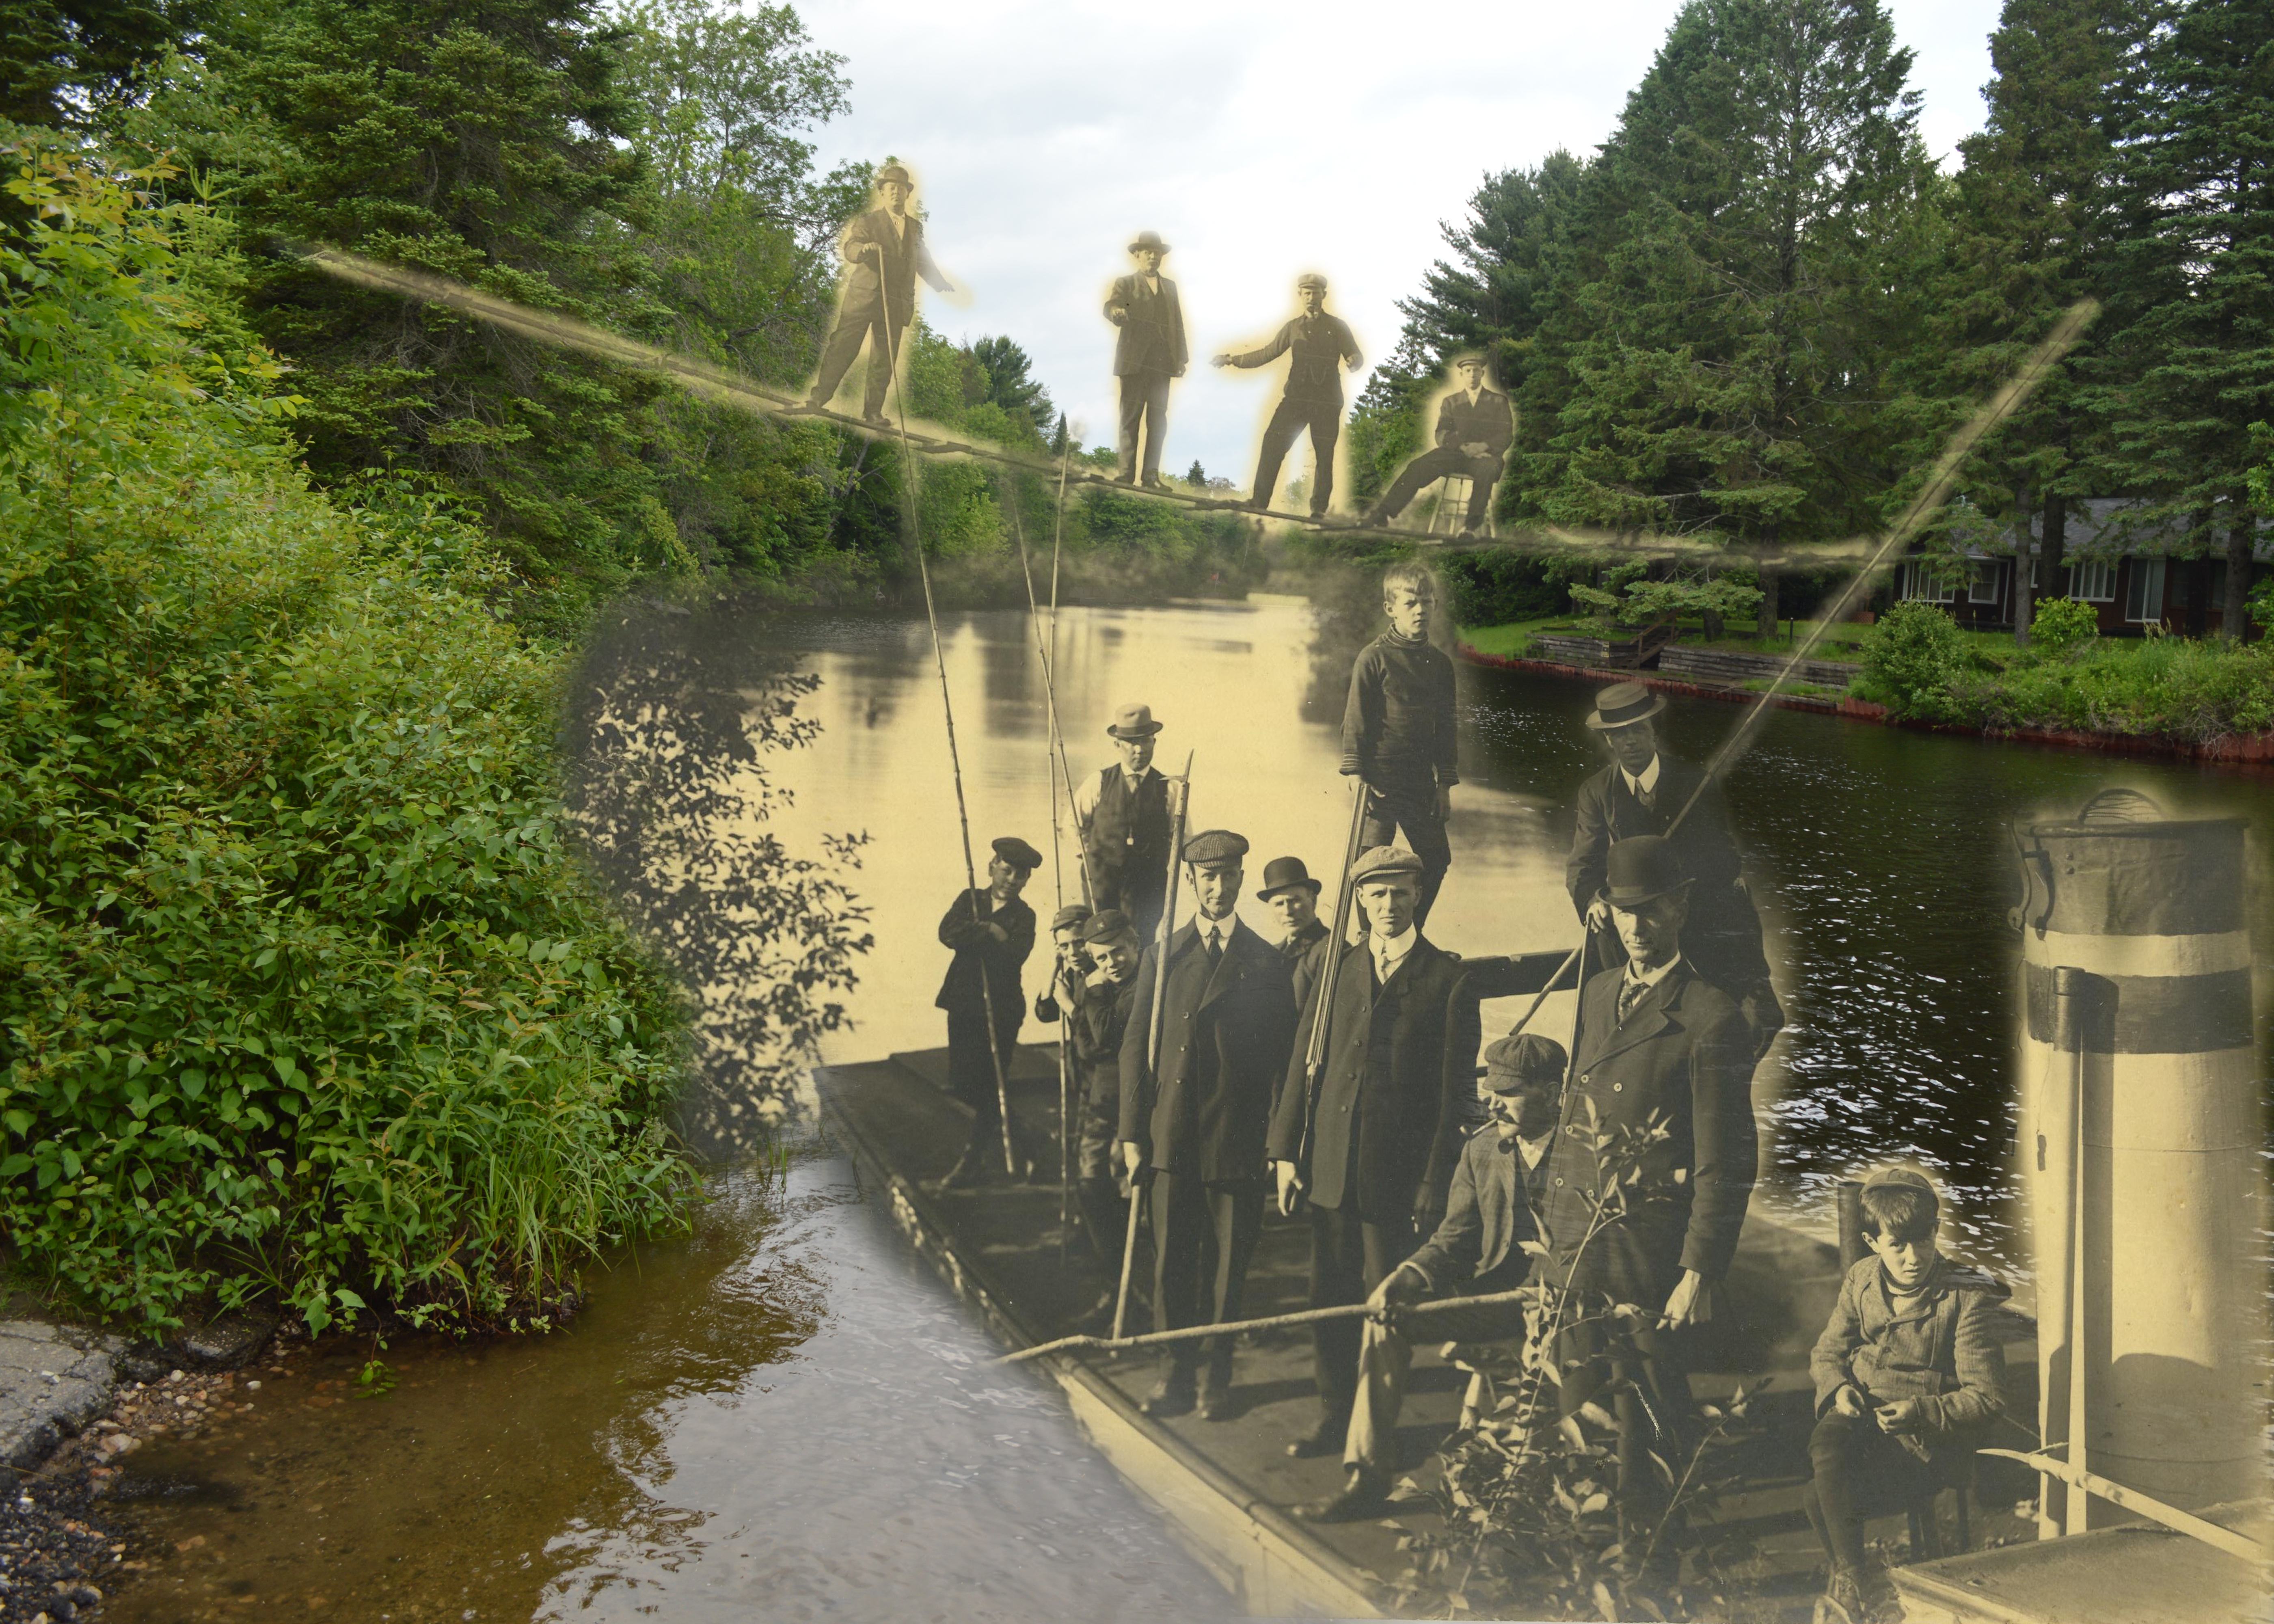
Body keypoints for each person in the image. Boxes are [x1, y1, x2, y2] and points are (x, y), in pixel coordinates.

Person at [1537, 835, 1758, 1530]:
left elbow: (1728, 1159)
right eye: (1624, 911)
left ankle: (1653, 1552)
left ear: (1682, 907)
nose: (1637, 927)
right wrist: (1547, 1227)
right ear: (1606, 910)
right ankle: (1581, 1533)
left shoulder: (1710, 1017)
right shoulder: (1598, 992)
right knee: (1574, 1391)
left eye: (1653, 910)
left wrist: (1699, 1270)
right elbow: (1576, 1112)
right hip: (1577, 1236)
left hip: (1646, 1246)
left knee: (1648, 1406)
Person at [1303, 1032, 1567, 1522]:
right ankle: (1368, 1472)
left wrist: (1548, 1296)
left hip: (1561, 1310)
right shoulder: (1483, 1149)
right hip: (1489, 1302)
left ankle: (1522, 1494)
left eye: (1508, 1093)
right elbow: (1456, 1237)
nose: (1492, 1104)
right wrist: (1408, 1276)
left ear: (1552, 1093)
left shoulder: (1586, 1154)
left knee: (1544, 1370)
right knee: (1385, 1318)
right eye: (1491, 1089)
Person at [1268, 846, 1477, 1462]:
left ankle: (1375, 1437)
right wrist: (1285, 1155)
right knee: (1327, 1301)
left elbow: (1453, 1094)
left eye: (1400, 893)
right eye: (1377, 894)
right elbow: (1303, 1062)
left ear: (1418, 897)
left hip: (1397, 1178)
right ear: (1359, 900)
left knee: (1387, 1306)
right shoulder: (1336, 967)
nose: (1389, 905)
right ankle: (1335, 1416)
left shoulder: (1448, 979)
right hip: (1329, 1170)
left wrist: (1436, 1180)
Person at [1118, 831, 1299, 1420]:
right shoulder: (1161, 956)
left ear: (1243, 880)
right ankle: (1174, 1375)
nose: (1219, 888)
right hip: (1171, 1136)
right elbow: (1134, 1050)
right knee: (1172, 1260)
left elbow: (1282, 1059)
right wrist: (1130, 1134)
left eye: (1229, 877)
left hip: (1236, 1136)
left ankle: (1215, 1378)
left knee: (1228, 1266)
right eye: (1209, 878)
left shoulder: (1266, 962)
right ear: (1191, 883)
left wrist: (1279, 1144)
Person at [1805, 1168, 2008, 1624]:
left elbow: (1988, 1397)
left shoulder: (1964, 1298)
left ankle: (1854, 1585)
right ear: (1872, 1241)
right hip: (1861, 1423)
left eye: (1923, 1239)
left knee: (1816, 1499)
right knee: (1826, 1445)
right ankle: (1859, 1580)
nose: (1913, 1257)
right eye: (1897, 1244)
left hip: (1926, 1443)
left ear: (1936, 1231)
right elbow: (1826, 1353)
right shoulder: (1861, 1278)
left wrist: (1922, 1410)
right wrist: (1839, 1390)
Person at [1564, 681, 1783, 1059]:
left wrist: (1674, 878)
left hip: (1695, 908)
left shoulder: (1695, 783)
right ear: (1609, 742)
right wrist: (1591, 901)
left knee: (1751, 1010)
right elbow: (1584, 867)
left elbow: (1725, 858)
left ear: (1653, 732)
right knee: (1616, 986)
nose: (1629, 742)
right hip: (1636, 920)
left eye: (1637, 730)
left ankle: (1719, 1071)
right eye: (1619, 734)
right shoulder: (1596, 792)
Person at [1341, 561, 1459, 923]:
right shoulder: (1373, 658)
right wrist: (1355, 773)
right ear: (1390, 609)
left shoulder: (1440, 665)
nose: (1420, 610)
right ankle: (1367, 940)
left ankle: (1410, 934)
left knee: (1436, 858)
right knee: (1369, 865)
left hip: (1421, 782)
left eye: (1427, 602)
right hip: (1378, 782)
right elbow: (1355, 721)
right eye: (1410, 603)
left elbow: (1447, 728)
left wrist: (1444, 785)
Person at [1047, 910, 1145, 1319]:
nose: (1111, 962)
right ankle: (1119, 1285)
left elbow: (1096, 1043)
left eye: (1118, 952)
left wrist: (1075, 1004)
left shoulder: (1131, 986)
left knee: (1122, 1191)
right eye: (1102, 957)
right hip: (1102, 1097)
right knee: (1094, 1188)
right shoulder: (1097, 980)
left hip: (1128, 1099)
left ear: (1134, 946)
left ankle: (1133, 1292)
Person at [803, 163, 954, 425]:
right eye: (891, 188)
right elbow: (851, 245)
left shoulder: (915, 228)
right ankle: (818, 399)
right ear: (883, 193)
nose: (896, 193)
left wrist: (940, 284)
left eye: (901, 189)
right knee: (843, 348)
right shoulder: (868, 222)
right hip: (863, 298)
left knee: (884, 360)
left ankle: (873, 413)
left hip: (894, 303)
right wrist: (863, 250)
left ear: (908, 194)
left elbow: (922, 260)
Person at [935, 836, 1043, 1189]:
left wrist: (987, 941)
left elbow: (1015, 956)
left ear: (1027, 880)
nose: (1011, 880)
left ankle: (971, 1160)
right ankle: (1029, 1137)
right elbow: (947, 933)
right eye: (1006, 870)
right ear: (991, 868)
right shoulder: (971, 900)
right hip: (964, 1003)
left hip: (1002, 1008)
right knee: (965, 1085)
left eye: (1020, 875)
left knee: (991, 1084)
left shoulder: (1025, 915)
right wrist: (988, 930)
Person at [1212, 272, 1363, 517]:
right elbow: (1267, 353)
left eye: (1315, 293)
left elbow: (1355, 355)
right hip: (1297, 399)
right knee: (1273, 443)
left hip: (1327, 401)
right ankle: (1259, 502)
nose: (1311, 298)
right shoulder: (1293, 328)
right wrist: (1232, 360)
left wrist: (1355, 361)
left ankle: (1319, 511)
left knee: (1325, 456)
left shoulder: (1337, 327)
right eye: (1306, 293)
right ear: (1300, 296)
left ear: (1324, 295)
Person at [1361, 355, 1513, 536]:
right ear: (1462, 374)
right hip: (1455, 454)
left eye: (1476, 370)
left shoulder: (1498, 401)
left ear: (1483, 373)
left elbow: (1505, 434)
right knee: (1418, 466)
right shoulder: (1451, 402)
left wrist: (1482, 447)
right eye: (1468, 371)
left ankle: (1470, 528)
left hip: (1486, 457)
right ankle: (1382, 513)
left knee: (1487, 472)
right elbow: (1442, 433)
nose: (1472, 374)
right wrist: (1463, 448)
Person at [1072, 702, 1174, 943]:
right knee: (1101, 936)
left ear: (1154, 742)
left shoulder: (1170, 787)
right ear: (1118, 745)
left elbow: (1181, 837)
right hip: (1101, 880)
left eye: (1146, 740)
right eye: (1132, 742)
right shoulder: (1098, 782)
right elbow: (1072, 824)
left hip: (1148, 883)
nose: (1139, 749)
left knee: (1141, 941)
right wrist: (1088, 855)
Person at [1104, 231, 1188, 488]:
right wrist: (1117, 312)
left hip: (1163, 363)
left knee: (1157, 420)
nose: (1153, 257)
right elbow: (1113, 305)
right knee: (1130, 418)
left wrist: (1182, 359)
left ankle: (1151, 476)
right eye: (1148, 252)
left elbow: (1178, 324)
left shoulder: (1170, 287)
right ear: (1137, 255)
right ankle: (1125, 476)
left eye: (1157, 253)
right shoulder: (1126, 283)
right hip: (1134, 363)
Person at [1257, 855, 1330, 1013]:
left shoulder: (1331, 949)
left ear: (1313, 900)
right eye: (1279, 904)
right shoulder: (1271, 953)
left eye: (1294, 900)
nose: (1288, 912)